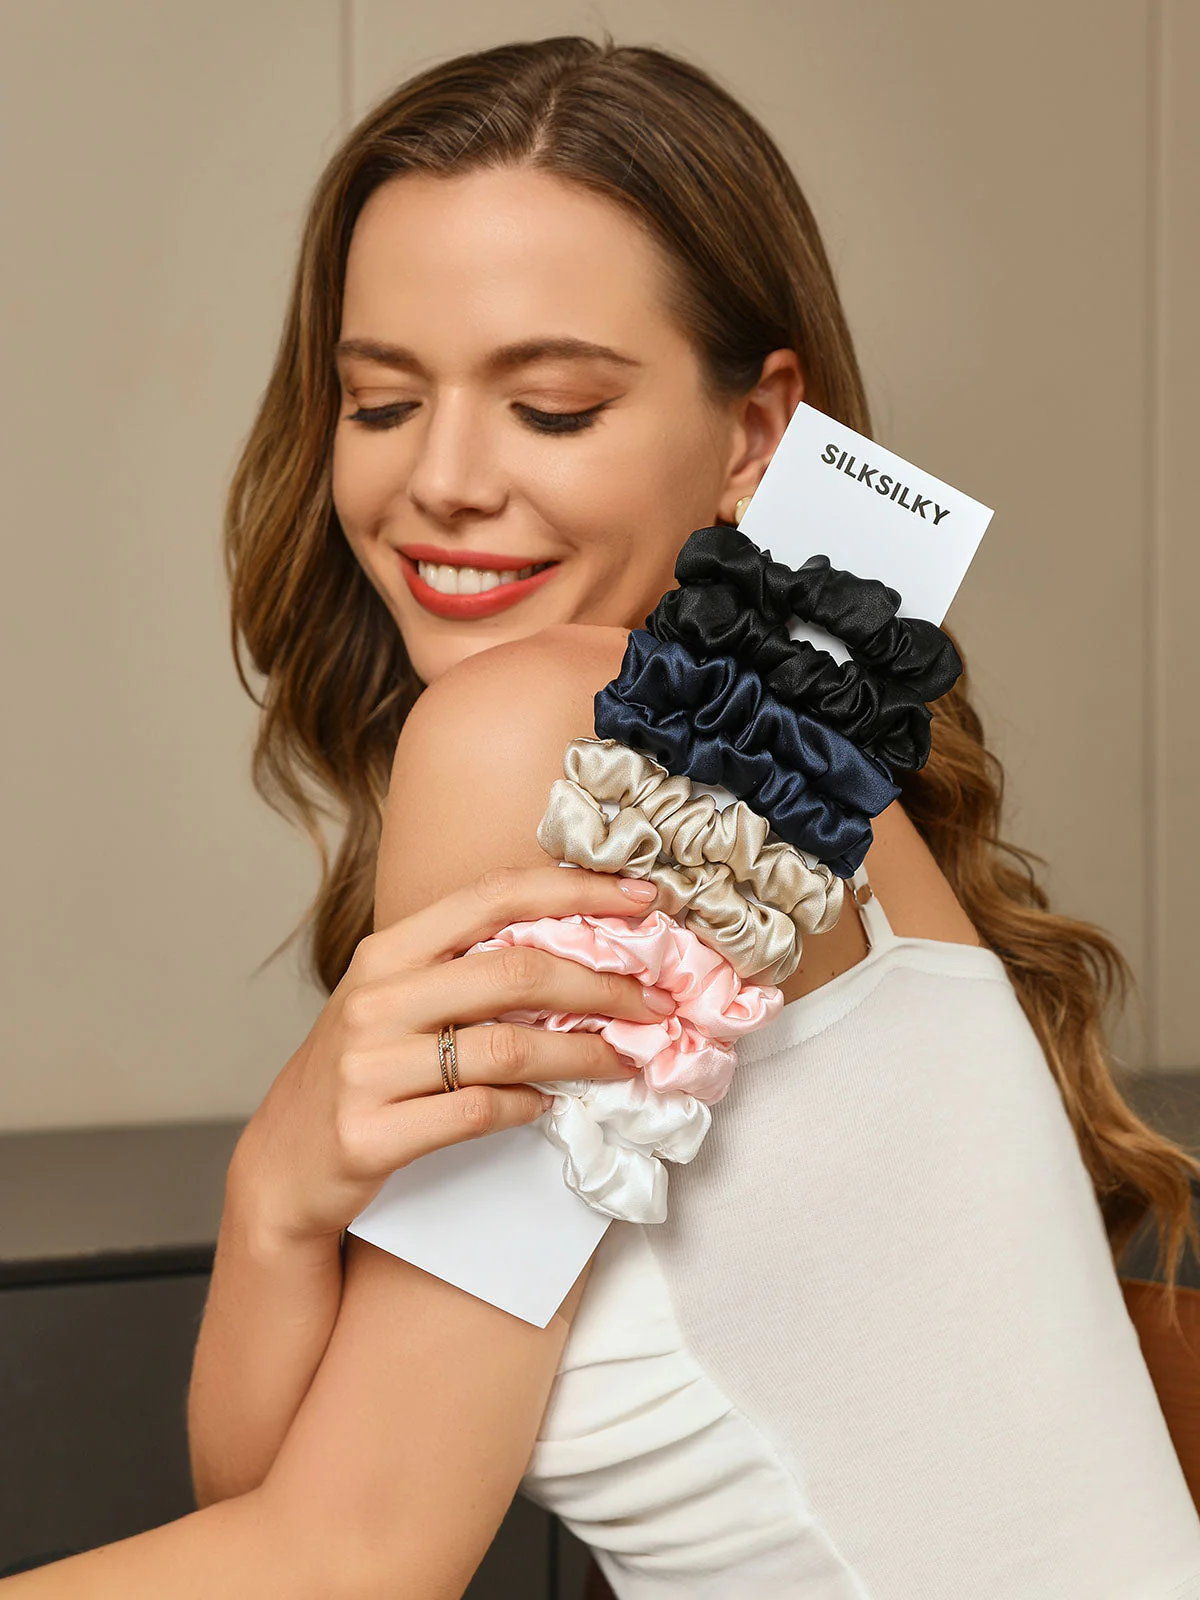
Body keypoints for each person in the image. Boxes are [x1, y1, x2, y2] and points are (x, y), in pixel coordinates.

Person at [7, 32, 1200, 1599]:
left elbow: (350, 1561)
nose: (441, 479)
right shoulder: (770, 759)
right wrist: (274, 1196)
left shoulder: (557, 741)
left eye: (552, 407)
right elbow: (281, 1502)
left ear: (756, 436)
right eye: (380, 401)